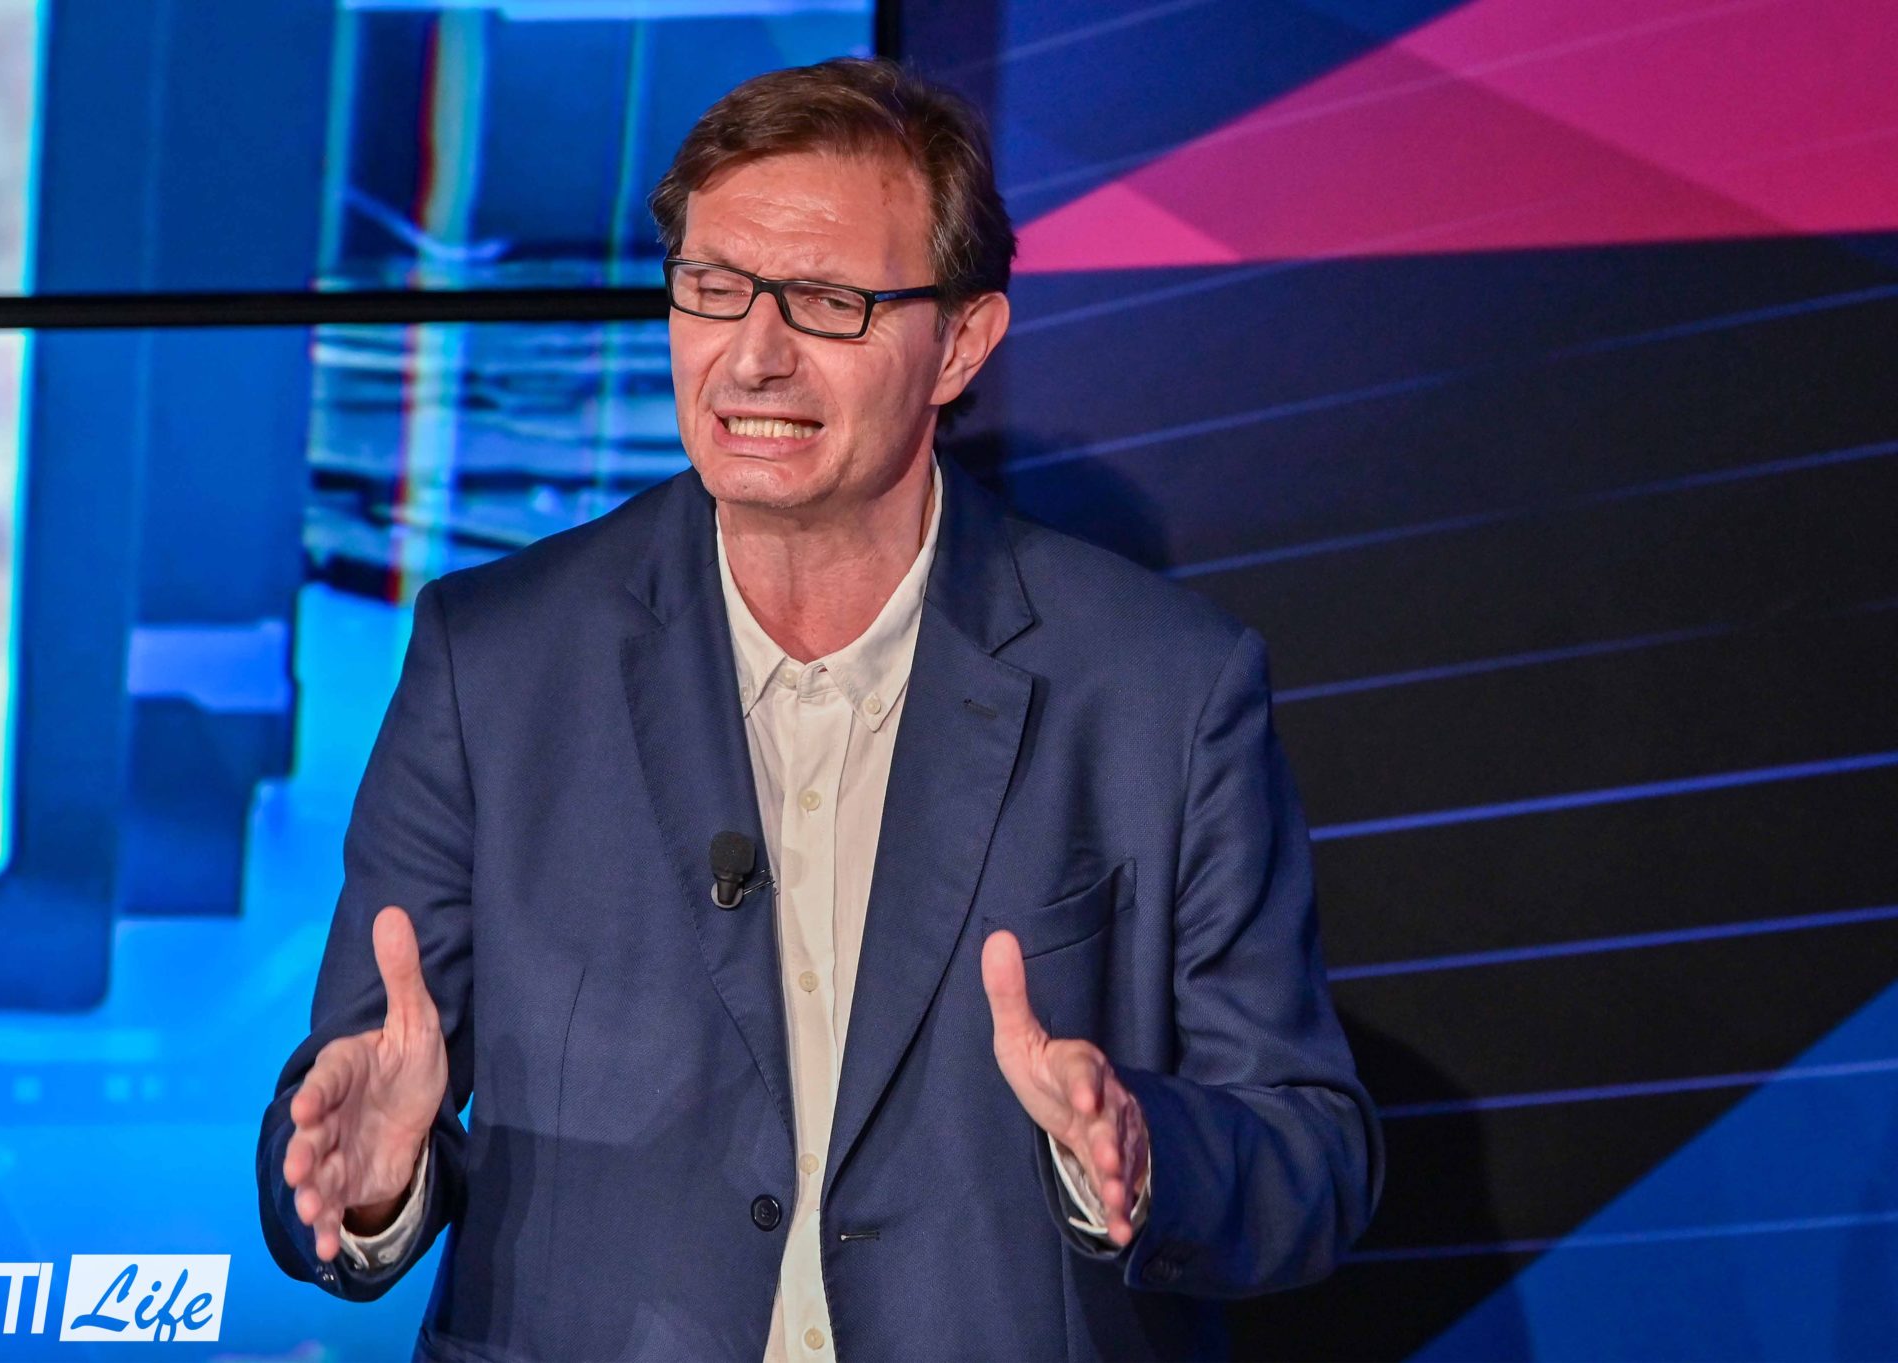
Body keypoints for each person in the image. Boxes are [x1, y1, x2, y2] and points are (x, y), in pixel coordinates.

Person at [256, 56, 1381, 1363]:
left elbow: (1312, 1156)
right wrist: (375, 1186)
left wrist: (1137, 1148)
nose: (753, 356)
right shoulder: (493, 660)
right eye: (712, 288)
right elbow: (345, 1108)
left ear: (960, 342)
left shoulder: (1162, 688)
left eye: (828, 303)